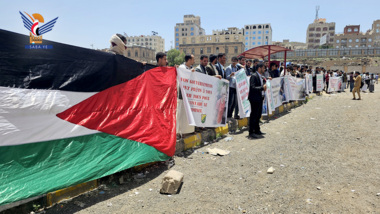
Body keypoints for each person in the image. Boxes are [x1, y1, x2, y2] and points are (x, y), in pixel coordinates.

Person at [248, 62, 266, 139]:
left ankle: (257, 130)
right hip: (254, 99)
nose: (264, 69)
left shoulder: (260, 76)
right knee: (254, 115)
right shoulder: (254, 76)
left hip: (259, 98)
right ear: (259, 68)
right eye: (263, 68)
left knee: (258, 115)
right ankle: (251, 132)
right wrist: (262, 88)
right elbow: (252, 87)